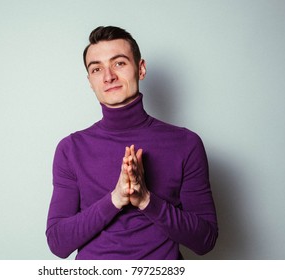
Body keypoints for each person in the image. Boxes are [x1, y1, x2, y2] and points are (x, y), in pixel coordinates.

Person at [46, 26, 218, 260]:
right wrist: (115, 199)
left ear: (141, 68)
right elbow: (58, 243)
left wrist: (146, 199)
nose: (108, 76)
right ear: (90, 81)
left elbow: (205, 240)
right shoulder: (71, 149)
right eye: (97, 69)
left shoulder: (186, 144)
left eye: (119, 63)